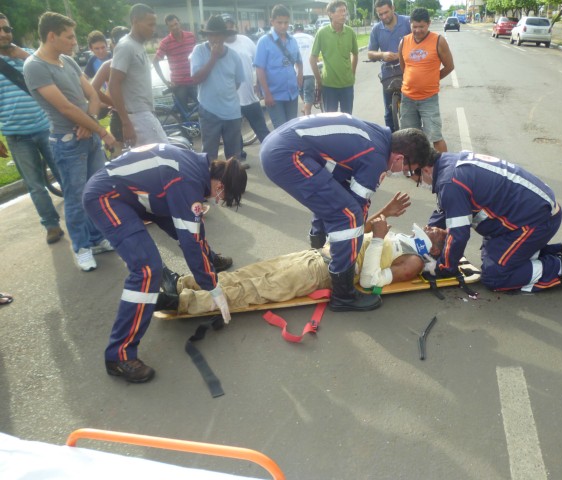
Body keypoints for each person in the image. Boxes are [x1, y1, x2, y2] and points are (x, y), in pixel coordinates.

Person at [83, 143, 248, 383]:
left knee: (189, 227)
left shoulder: (195, 168)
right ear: (220, 184)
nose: (218, 199)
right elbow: (190, 240)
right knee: (147, 269)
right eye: (222, 195)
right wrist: (212, 287)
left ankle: (210, 260)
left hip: (136, 194)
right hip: (107, 197)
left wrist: (207, 267)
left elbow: (192, 229)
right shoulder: (188, 181)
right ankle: (119, 356)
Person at [160, 194, 450, 315]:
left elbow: (370, 279)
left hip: (322, 273)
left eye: (439, 232)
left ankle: (182, 302)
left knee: (256, 288)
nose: (432, 227)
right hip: (319, 255)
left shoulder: (413, 262)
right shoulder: (405, 241)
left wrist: (379, 241)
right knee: (249, 273)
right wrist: (385, 213)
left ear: (435, 250)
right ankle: (187, 283)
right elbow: (359, 231)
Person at [260, 113, 433, 312]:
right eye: (408, 170)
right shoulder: (376, 159)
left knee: (338, 197)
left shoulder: (378, 138)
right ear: (400, 158)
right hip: (286, 155)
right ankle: (343, 295)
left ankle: (318, 241)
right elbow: (356, 211)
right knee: (348, 217)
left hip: (279, 146)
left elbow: (339, 192)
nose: (404, 174)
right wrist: (354, 245)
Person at [402, 133, 562, 293]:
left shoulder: (449, 182)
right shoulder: (447, 163)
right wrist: (425, 237)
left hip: (536, 220)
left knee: (495, 275)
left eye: (411, 175)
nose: (417, 183)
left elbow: (459, 235)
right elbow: (445, 211)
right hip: (530, 212)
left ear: (424, 169)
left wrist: (442, 268)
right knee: (492, 254)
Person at [24, 12, 117, 271]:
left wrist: (89, 122)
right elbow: (64, 108)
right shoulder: (35, 67)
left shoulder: (67, 61)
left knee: (96, 193)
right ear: (51, 36)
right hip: (67, 143)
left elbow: (93, 95)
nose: (74, 42)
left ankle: (97, 238)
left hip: (85, 138)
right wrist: (100, 130)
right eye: (69, 36)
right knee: (76, 198)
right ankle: (81, 247)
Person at [0, 12, 64, 244]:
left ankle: (84, 216)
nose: (4, 34)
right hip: (16, 135)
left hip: (45, 127)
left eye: (7, 29)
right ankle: (51, 225)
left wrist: (23, 55)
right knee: (35, 185)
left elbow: (54, 71)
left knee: (64, 173)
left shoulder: (26, 56)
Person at [110, 3, 168, 147]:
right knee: (165, 157)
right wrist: (126, 123)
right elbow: (113, 84)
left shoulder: (138, 45)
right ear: (135, 21)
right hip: (137, 116)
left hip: (146, 113)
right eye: (150, 25)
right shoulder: (126, 46)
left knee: (158, 160)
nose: (153, 29)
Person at [398, 8, 454, 153]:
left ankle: (444, 168)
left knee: (435, 137)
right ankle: (415, 168)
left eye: (421, 26)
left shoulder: (438, 41)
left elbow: (449, 66)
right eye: (414, 26)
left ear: (428, 24)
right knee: (410, 138)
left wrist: (432, 78)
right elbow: (404, 68)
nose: (417, 30)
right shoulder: (404, 42)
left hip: (429, 99)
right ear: (410, 24)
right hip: (407, 99)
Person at [190, 15, 244, 161]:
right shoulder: (199, 51)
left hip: (232, 113)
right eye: (211, 34)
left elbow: (237, 83)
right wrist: (213, 57)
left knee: (234, 157)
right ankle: (210, 184)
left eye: (219, 34)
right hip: (209, 112)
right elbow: (196, 79)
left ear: (225, 35)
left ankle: (232, 184)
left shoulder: (234, 56)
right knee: (209, 156)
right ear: (207, 36)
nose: (215, 38)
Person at [223, 15, 270, 151]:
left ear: (235, 26)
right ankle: (239, 160)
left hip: (250, 97)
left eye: (231, 26)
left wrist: (259, 84)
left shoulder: (246, 41)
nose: (229, 29)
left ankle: (271, 153)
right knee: (234, 134)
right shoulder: (219, 46)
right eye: (226, 27)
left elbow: (259, 64)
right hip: (230, 100)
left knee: (262, 130)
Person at [254, 4, 303, 129]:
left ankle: (293, 149)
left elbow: (299, 60)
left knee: (293, 128)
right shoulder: (264, 42)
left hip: (292, 93)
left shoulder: (292, 40)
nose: (283, 26)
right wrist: (267, 93)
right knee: (281, 131)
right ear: (272, 21)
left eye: (286, 22)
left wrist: (300, 75)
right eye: (279, 22)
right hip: (274, 95)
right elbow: (259, 69)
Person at [368, 0, 411, 131]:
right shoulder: (376, 29)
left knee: (411, 110)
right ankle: (392, 141)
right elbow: (370, 53)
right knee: (388, 112)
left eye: (386, 12)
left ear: (393, 8)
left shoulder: (407, 22)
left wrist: (402, 55)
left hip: (408, 71)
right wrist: (382, 55)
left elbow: (420, 43)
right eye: (380, 14)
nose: (384, 17)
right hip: (388, 74)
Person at [310, 0, 359, 114]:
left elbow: (355, 54)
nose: (344, 14)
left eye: (344, 11)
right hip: (329, 85)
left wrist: (352, 73)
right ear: (330, 14)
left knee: (347, 118)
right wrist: (319, 80)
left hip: (347, 85)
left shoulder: (350, 32)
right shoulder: (322, 33)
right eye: (340, 11)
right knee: (331, 120)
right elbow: (312, 59)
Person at [90, 26, 129, 152]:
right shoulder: (109, 64)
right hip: (120, 116)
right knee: (121, 158)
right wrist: (112, 103)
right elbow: (91, 89)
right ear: (112, 45)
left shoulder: (136, 60)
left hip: (138, 114)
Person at [153, 14, 197, 115]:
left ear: (179, 23)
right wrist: (165, 81)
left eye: (176, 24)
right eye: (171, 26)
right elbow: (155, 62)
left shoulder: (191, 36)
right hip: (178, 84)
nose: (175, 27)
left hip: (194, 80)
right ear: (168, 27)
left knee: (204, 107)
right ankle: (187, 131)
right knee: (184, 115)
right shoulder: (165, 42)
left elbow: (197, 56)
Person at [293, 23, 315, 115]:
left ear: (294, 30)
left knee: (301, 91)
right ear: (303, 30)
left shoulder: (291, 39)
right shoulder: (310, 38)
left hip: (296, 73)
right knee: (308, 94)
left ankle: (306, 109)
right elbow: (315, 54)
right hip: (310, 71)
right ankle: (307, 110)